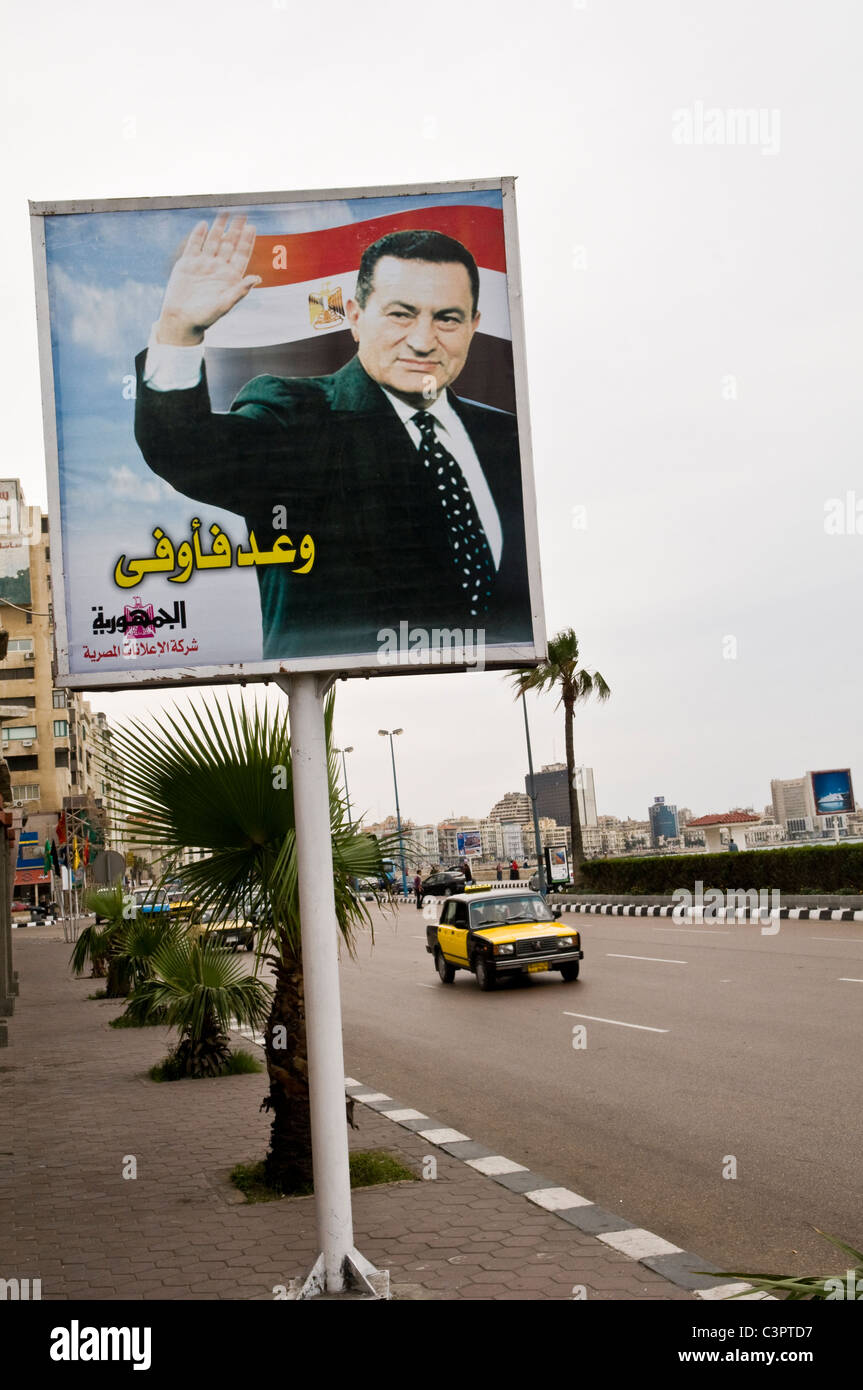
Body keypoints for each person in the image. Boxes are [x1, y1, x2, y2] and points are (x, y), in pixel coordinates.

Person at [134, 216, 532, 660]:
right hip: (347, 708)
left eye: (447, 319)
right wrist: (177, 329)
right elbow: (187, 451)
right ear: (356, 317)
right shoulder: (297, 415)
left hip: (490, 701)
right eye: (401, 314)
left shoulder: (505, 437)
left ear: (474, 324)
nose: (422, 341)